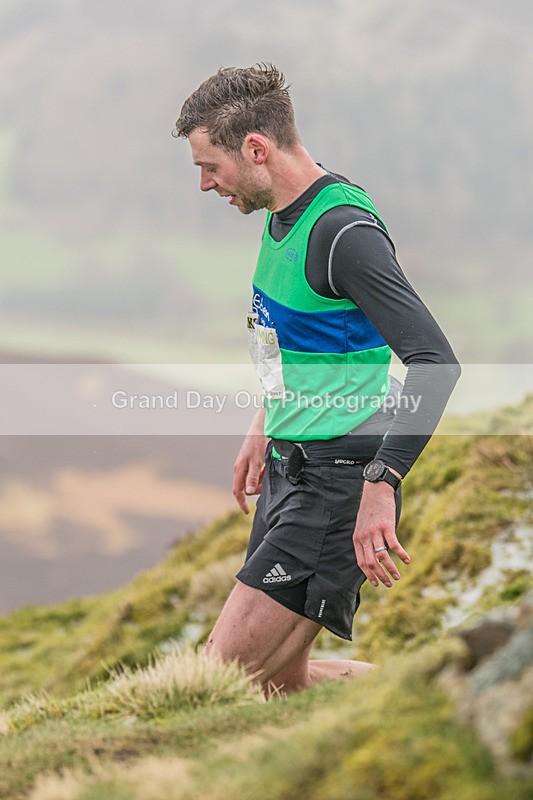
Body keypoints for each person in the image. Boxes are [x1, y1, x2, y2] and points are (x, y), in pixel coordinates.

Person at [173, 63, 461, 696]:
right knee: (279, 687)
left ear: (256, 148)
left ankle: (454, 696)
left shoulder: (344, 234)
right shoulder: (280, 216)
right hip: (288, 468)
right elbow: (297, 343)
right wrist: (264, 422)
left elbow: (436, 364)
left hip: (336, 487)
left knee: (217, 683)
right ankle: (441, 695)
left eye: (209, 166)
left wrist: (381, 485)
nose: (203, 184)